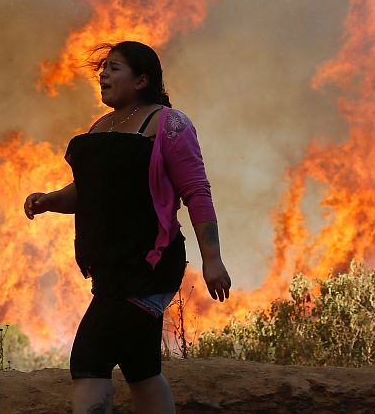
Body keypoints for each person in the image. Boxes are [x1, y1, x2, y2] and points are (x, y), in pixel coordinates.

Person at [23, 41, 231, 414]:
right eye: (102, 68)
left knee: (89, 359)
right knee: (141, 370)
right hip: (110, 268)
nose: (103, 74)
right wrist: (49, 200)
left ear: (141, 80)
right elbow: (87, 192)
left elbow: (196, 192)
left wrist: (212, 259)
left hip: (148, 266)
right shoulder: (101, 127)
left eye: (114, 68)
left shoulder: (169, 124)